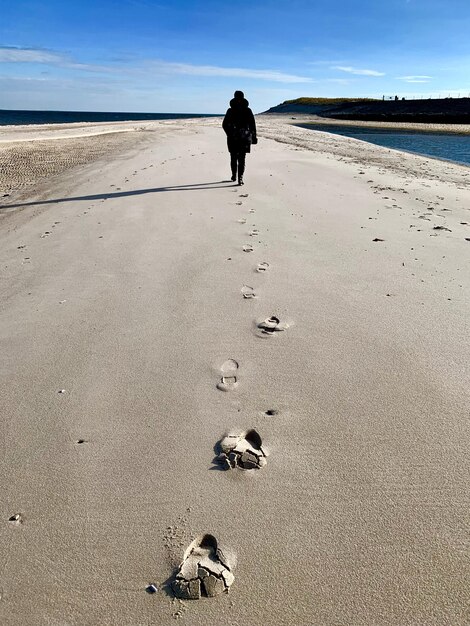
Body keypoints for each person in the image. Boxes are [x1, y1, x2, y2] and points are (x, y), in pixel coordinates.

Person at [222, 90, 257, 185]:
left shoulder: (245, 110)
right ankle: (237, 177)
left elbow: (252, 124)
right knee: (238, 157)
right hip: (240, 137)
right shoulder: (233, 110)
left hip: (240, 137)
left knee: (237, 157)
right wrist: (253, 136)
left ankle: (238, 177)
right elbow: (252, 125)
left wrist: (229, 133)